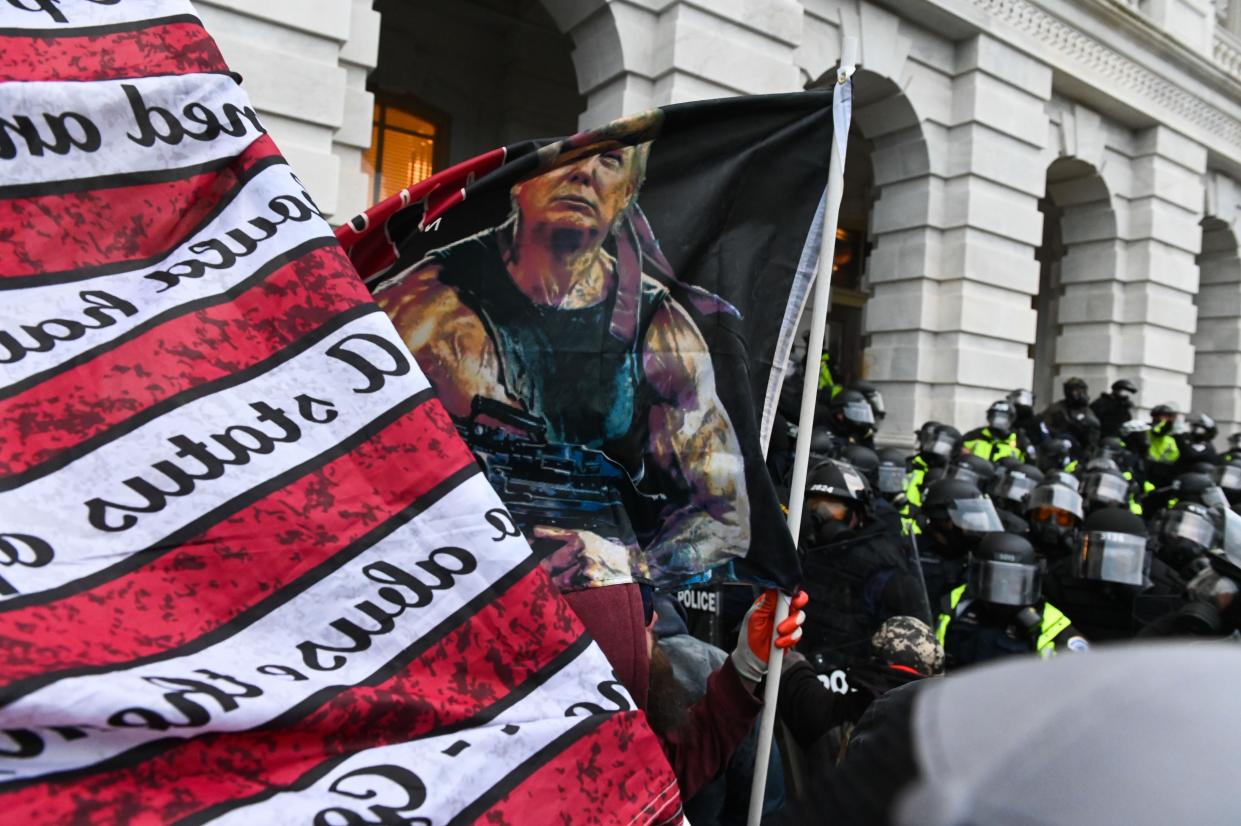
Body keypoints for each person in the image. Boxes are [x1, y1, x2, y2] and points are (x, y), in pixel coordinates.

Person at [378, 141, 752, 694]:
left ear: (626, 195)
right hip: (449, 590)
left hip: (614, 600)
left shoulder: (658, 327)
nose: (582, 174)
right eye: (563, 160)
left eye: (610, 163)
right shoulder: (419, 308)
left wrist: (619, 564)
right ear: (518, 183)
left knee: (700, 697)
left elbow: (726, 515)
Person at [656, 588, 808, 801]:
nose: (653, 617)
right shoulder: (697, 665)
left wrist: (746, 669)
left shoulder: (702, 664)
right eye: (642, 604)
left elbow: (661, 773)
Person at [798, 460, 932, 667]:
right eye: (813, 510)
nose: (820, 519)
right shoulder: (807, 551)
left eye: (830, 510)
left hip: (857, 677)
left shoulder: (884, 568)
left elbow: (910, 641)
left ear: (859, 513)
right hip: (810, 666)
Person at [936, 532, 1087, 670]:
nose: (1004, 586)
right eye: (996, 578)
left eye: (1013, 580)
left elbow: (1076, 680)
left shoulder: (1050, 624)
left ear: (1029, 582)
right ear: (980, 577)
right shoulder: (958, 604)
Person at [1041, 507, 1152, 640]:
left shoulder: (1161, 588)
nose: (1110, 561)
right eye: (1101, 552)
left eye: (1120, 552)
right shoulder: (1058, 580)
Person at [915, 478, 1003, 607]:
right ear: (943, 521)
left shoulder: (972, 556)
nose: (974, 528)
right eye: (968, 520)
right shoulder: (913, 556)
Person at [1040, 376, 1101, 454]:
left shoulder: (1087, 411)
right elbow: (1044, 426)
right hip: (1059, 446)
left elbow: (1093, 435)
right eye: (1074, 390)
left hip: (1081, 449)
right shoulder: (1056, 408)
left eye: (1081, 390)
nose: (1077, 394)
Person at [961, 400, 1026, 462]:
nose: (999, 421)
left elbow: (1029, 467)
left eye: (1004, 418)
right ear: (989, 417)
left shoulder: (1020, 440)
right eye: (996, 417)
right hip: (978, 472)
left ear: (1011, 419)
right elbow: (957, 453)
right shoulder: (975, 435)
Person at [1145, 403, 1181, 489]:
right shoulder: (1146, 431)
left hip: (1166, 473)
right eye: (1157, 417)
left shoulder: (1176, 436)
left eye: (1165, 417)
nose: (1161, 420)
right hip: (1147, 469)